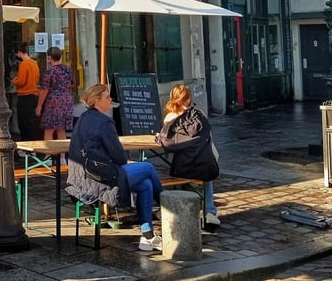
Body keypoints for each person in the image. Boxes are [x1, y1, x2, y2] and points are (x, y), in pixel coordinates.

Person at [66, 83, 163, 251]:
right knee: (147, 168)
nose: (111, 100)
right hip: (100, 178)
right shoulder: (104, 122)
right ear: (97, 101)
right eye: (107, 97)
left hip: (81, 178)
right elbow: (120, 157)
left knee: (146, 184)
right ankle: (168, 206)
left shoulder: (82, 118)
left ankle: (147, 236)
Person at [156, 84, 221, 228]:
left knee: (176, 175)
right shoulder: (200, 115)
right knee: (206, 178)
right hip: (205, 166)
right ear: (189, 99)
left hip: (183, 167)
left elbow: (167, 142)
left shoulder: (171, 118)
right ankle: (209, 211)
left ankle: (173, 208)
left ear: (173, 98)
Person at [36, 47, 74, 140]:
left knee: (49, 130)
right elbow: (71, 84)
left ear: (49, 57)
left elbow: (44, 89)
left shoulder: (50, 72)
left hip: (53, 103)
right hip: (67, 101)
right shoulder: (67, 70)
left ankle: (49, 154)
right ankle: (62, 154)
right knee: (61, 129)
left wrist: (39, 106)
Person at [11, 43, 41, 141]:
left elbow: (21, 81)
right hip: (34, 95)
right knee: (31, 123)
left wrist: (14, 80)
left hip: (25, 96)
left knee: (23, 123)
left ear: (19, 53)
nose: (17, 56)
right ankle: (33, 145)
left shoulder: (24, 64)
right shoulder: (34, 63)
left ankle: (26, 147)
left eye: (17, 54)